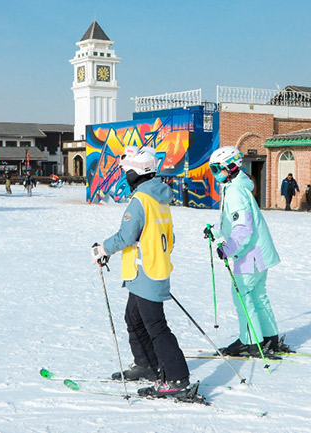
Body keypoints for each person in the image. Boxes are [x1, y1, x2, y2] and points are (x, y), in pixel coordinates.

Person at [91, 145, 192, 399]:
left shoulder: (140, 200)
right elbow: (170, 237)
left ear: (137, 172)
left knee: (156, 327)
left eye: (127, 172)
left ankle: (177, 377)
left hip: (146, 272)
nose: (126, 176)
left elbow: (126, 236)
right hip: (146, 272)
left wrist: (103, 249)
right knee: (133, 319)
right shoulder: (160, 198)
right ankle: (146, 364)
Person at [204, 146, 290, 356]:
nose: (215, 174)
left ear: (231, 167)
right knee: (258, 295)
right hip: (258, 250)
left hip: (249, 253)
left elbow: (243, 228)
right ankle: (269, 337)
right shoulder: (237, 186)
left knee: (242, 295)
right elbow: (236, 220)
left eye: (217, 169)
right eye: (212, 169)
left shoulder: (234, 190)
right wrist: (216, 230)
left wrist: (228, 248)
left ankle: (251, 342)